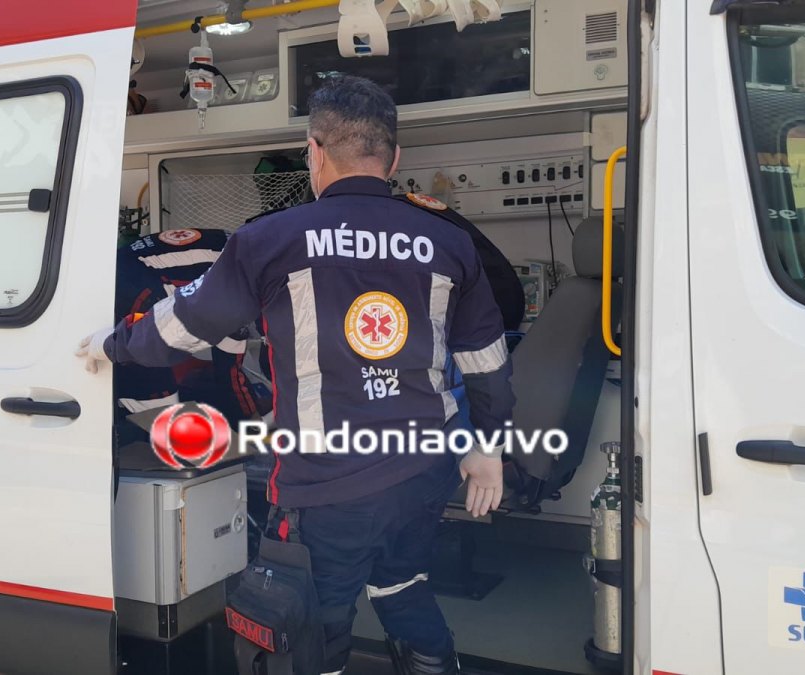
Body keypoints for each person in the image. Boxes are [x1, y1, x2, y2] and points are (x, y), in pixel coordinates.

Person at [76, 75, 514, 675]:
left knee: (304, 619)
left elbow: (183, 327)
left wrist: (110, 345)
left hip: (323, 486)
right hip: (422, 472)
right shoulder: (447, 241)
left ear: (314, 150)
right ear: (394, 158)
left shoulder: (270, 239)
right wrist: (486, 449)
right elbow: (486, 361)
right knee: (403, 587)